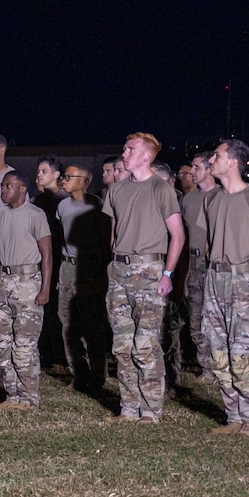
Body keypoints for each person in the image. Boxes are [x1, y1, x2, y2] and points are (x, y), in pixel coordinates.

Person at [103, 134, 185, 422]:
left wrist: (167, 274)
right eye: (125, 147)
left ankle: (150, 410)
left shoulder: (161, 189)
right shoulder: (116, 190)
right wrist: (114, 268)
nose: (124, 153)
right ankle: (128, 408)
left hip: (149, 271)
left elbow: (178, 235)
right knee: (122, 344)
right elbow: (114, 233)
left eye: (131, 149)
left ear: (147, 156)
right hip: (120, 272)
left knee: (145, 344)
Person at [200, 140, 249, 436]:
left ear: (233, 162)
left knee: (244, 352)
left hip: (245, 279)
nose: (211, 160)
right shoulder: (211, 199)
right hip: (215, 279)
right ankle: (233, 416)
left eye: (217, 156)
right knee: (218, 351)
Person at [0, 168, 53, 411]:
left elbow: (47, 254)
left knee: (24, 344)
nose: (3, 190)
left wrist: (45, 288)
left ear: (22, 189)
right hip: (4, 281)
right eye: (2, 186)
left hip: (27, 282)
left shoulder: (35, 215)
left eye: (8, 186)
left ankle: (29, 398)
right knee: (4, 342)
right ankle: (11, 395)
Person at [56, 163, 108, 390]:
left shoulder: (97, 206)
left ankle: (97, 377)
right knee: (67, 323)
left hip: (88, 267)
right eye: (64, 176)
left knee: (92, 325)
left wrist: (100, 274)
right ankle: (78, 373)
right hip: (67, 268)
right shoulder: (62, 206)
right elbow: (61, 239)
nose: (64, 180)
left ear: (85, 181)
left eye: (69, 176)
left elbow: (106, 243)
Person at [176, 151, 217, 376]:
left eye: (196, 167)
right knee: (195, 316)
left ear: (210, 169)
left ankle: (223, 366)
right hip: (193, 261)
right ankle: (207, 367)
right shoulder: (188, 199)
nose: (191, 172)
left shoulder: (222, 196)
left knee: (217, 318)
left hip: (215, 264)